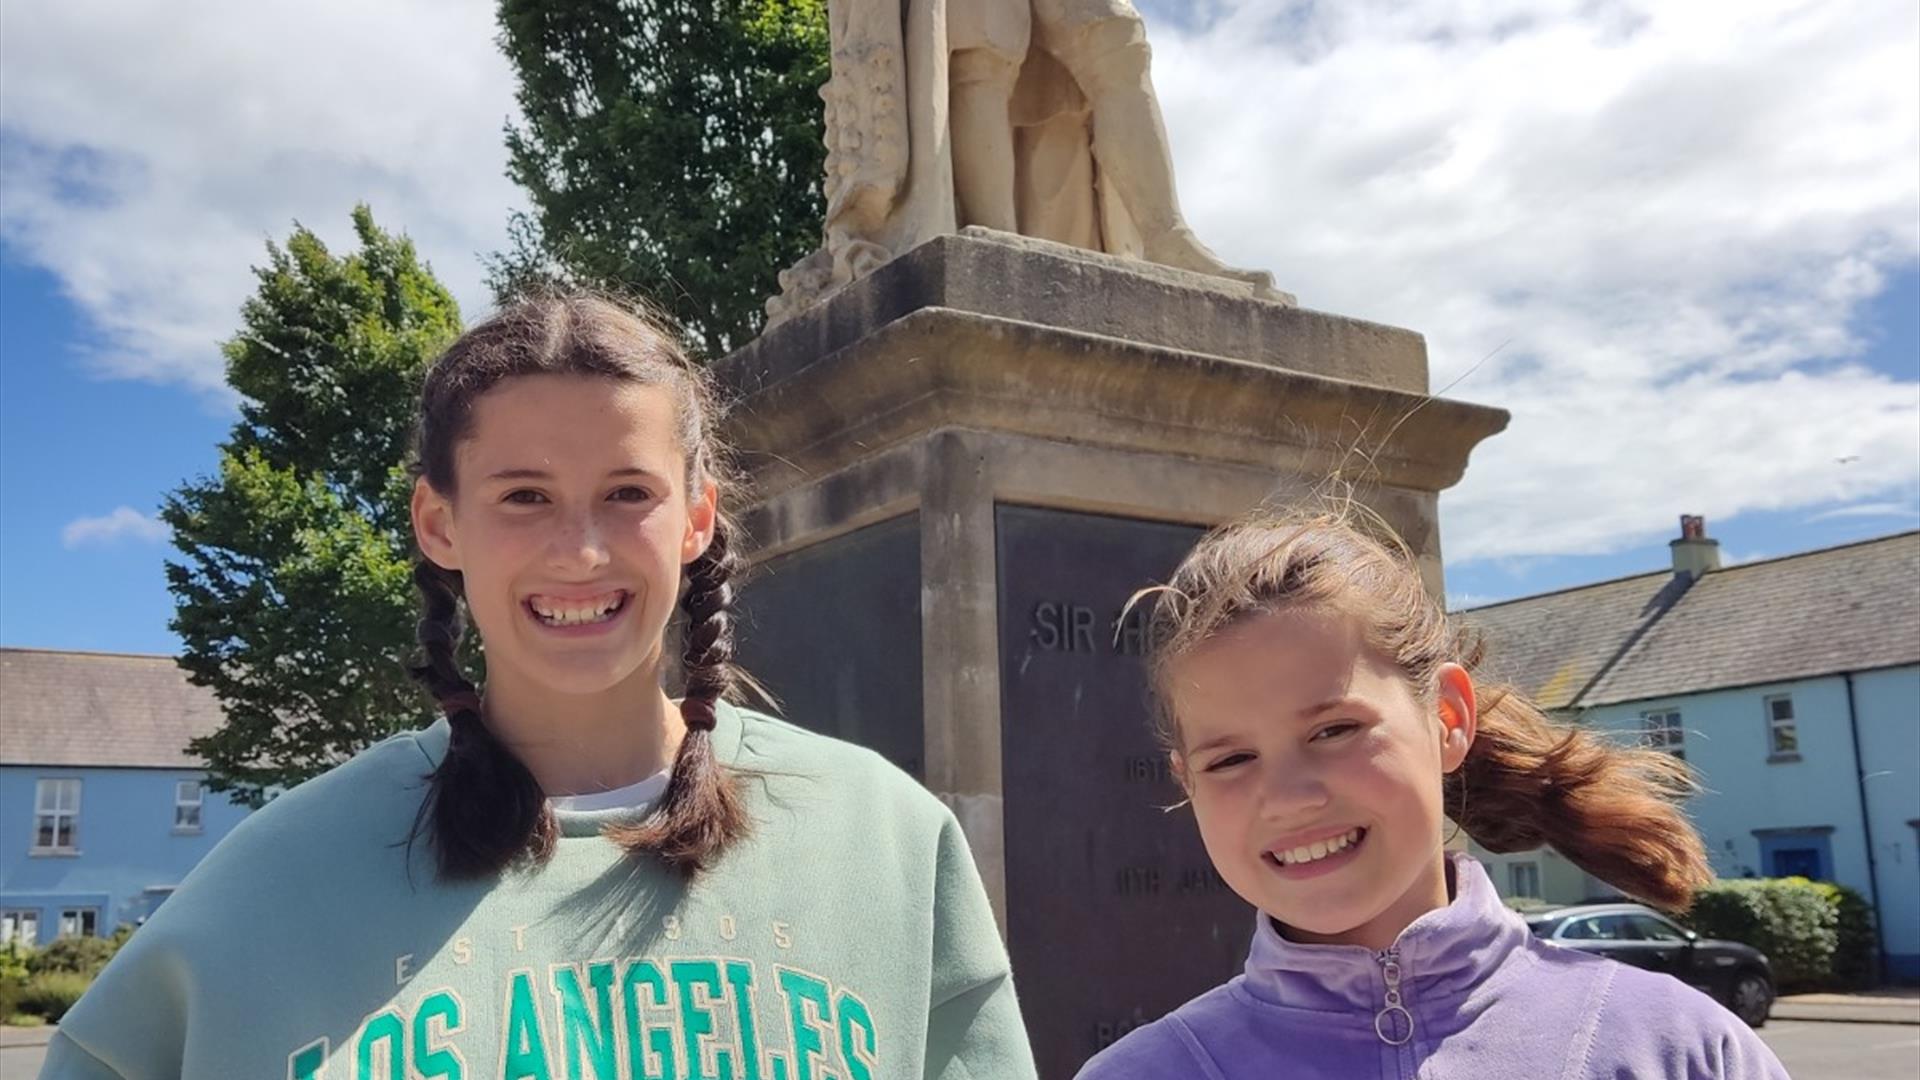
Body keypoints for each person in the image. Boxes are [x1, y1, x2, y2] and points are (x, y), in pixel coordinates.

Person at [42, 292, 1036, 1079]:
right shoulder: (274, 885)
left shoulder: (889, 845)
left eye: (628, 494)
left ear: (695, 521)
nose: (582, 549)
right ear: (440, 525)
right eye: (525, 497)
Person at [1076, 510, 1789, 1079]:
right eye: (1231, 758)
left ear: (1447, 718)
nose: (1288, 797)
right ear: (1185, 782)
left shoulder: (1679, 1049)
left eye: (1334, 730)